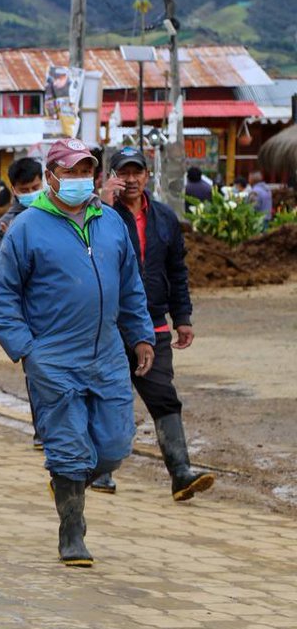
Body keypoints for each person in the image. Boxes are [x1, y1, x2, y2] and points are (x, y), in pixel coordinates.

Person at [0, 138, 155, 567]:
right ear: (51, 178)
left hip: (106, 354)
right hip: (54, 357)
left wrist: (140, 335)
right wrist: (27, 350)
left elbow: (131, 286)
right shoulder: (25, 228)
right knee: (67, 447)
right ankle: (72, 532)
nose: (81, 180)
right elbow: (2, 296)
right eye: (72, 172)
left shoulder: (111, 223)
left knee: (115, 446)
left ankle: (69, 483)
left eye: (87, 171)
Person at [100, 148, 215, 501]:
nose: (131, 180)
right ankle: (101, 470)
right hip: (106, 324)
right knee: (107, 396)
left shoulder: (164, 218)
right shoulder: (98, 215)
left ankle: (180, 473)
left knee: (164, 396)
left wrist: (183, 318)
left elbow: (177, 273)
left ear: (147, 176)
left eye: (137, 172)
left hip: (152, 325)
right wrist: (102, 204)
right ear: (112, 176)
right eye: (124, 173)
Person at [0, 156, 45, 449]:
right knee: (39, 375)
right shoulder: (6, 226)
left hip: (63, 309)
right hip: (31, 316)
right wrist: (12, 245)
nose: (33, 192)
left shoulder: (61, 215)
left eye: (37, 185)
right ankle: (43, 431)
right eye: (26, 188)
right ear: (14, 190)